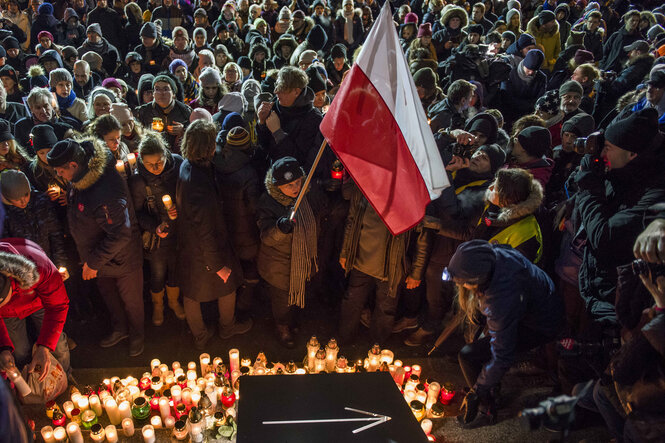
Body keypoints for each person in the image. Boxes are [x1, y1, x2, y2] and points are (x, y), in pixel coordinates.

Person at [46, 138, 145, 357]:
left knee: (131, 301)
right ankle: (120, 329)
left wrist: (92, 262)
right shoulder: (81, 178)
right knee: (109, 295)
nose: (59, 176)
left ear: (73, 165)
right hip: (99, 258)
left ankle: (138, 335)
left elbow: (120, 234)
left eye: (61, 171)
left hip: (122, 258)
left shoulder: (104, 188)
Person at [451, 240, 563, 427]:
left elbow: (502, 354)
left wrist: (477, 390)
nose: (461, 287)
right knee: (484, 343)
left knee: (468, 356)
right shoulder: (494, 255)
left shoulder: (500, 299)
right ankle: (490, 385)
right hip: (540, 304)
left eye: (463, 283)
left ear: (476, 280)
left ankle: (486, 407)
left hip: (541, 325)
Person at [176, 120, 252, 349]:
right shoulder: (198, 184)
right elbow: (205, 229)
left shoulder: (187, 166)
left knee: (191, 291)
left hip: (189, 246)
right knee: (227, 286)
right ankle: (226, 328)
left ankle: (200, 334)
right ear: (208, 147)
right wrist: (217, 264)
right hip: (205, 250)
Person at [338, 182, 428, 345]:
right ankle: (343, 340)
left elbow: (423, 240)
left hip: (392, 268)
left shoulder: (411, 199)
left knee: (385, 309)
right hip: (360, 260)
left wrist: (416, 272)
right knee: (352, 301)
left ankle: (376, 348)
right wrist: (345, 252)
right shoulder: (364, 188)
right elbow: (351, 221)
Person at [256, 156, 324, 348]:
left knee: (299, 295)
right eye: (288, 186)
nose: (295, 188)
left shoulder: (309, 195)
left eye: (297, 182)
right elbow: (267, 237)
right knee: (282, 301)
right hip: (279, 265)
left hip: (303, 261)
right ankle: (282, 327)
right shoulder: (268, 202)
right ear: (277, 187)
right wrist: (280, 228)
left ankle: (293, 321)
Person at [129, 131, 186, 327]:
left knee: (177, 270)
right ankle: (158, 306)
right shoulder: (138, 181)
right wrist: (155, 226)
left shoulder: (178, 164)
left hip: (180, 231)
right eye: (149, 164)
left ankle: (173, 301)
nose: (155, 168)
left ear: (166, 154)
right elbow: (136, 213)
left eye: (159, 162)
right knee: (158, 273)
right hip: (159, 238)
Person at [0, 237, 70, 378]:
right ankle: (30, 382)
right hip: (8, 314)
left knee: (58, 345)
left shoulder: (38, 266)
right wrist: (4, 348)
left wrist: (44, 347)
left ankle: (65, 378)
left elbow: (58, 306)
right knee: (18, 351)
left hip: (40, 301)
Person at [256, 66, 323, 166]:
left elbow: (299, 159)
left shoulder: (313, 118)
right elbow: (264, 147)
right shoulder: (274, 106)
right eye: (276, 85)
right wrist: (261, 123)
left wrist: (278, 133)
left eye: (282, 88)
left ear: (296, 92)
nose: (275, 91)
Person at [1, 169, 67, 268]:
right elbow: (8, 250)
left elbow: (55, 234)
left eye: (26, 195)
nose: (23, 201)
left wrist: (60, 263)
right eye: (17, 199)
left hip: (49, 262)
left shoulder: (41, 202)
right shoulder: (5, 215)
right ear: (7, 198)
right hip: (26, 269)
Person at [135, 75, 192, 152]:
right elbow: (136, 136)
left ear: (173, 94)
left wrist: (184, 130)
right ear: (153, 94)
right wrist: (148, 132)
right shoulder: (143, 112)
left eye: (166, 89)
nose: (161, 93)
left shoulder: (185, 111)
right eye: (157, 89)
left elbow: (194, 134)